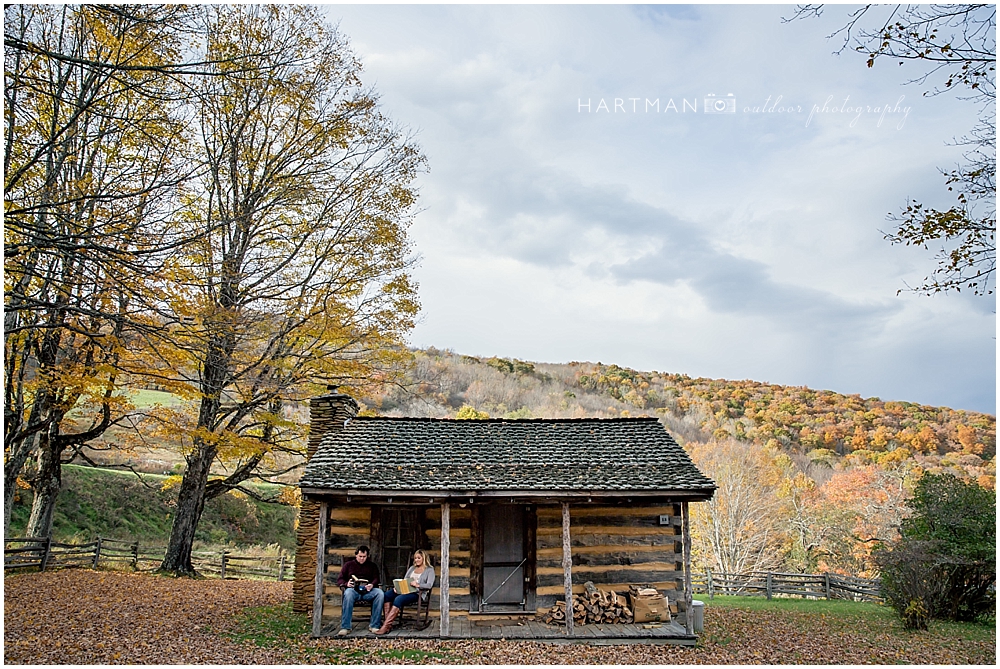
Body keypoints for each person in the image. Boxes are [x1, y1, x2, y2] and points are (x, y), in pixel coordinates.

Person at [374, 549, 435, 635]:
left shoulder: (429, 570)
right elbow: (405, 580)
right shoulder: (412, 568)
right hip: (405, 590)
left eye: (418, 558)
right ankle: (388, 625)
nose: (416, 560)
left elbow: (429, 585)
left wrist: (418, 584)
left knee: (398, 599)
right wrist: (398, 587)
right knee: (387, 595)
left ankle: (385, 626)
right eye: (415, 558)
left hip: (417, 593)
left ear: (424, 558)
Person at [336, 545, 384, 635]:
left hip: (368, 591)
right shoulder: (348, 565)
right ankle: (345, 627)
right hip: (353, 591)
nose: (362, 559)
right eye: (360, 556)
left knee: (380, 593)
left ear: (367, 556)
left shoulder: (372, 566)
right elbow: (340, 579)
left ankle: (374, 625)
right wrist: (347, 584)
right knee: (348, 594)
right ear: (356, 555)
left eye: (364, 557)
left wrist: (372, 585)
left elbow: (376, 578)